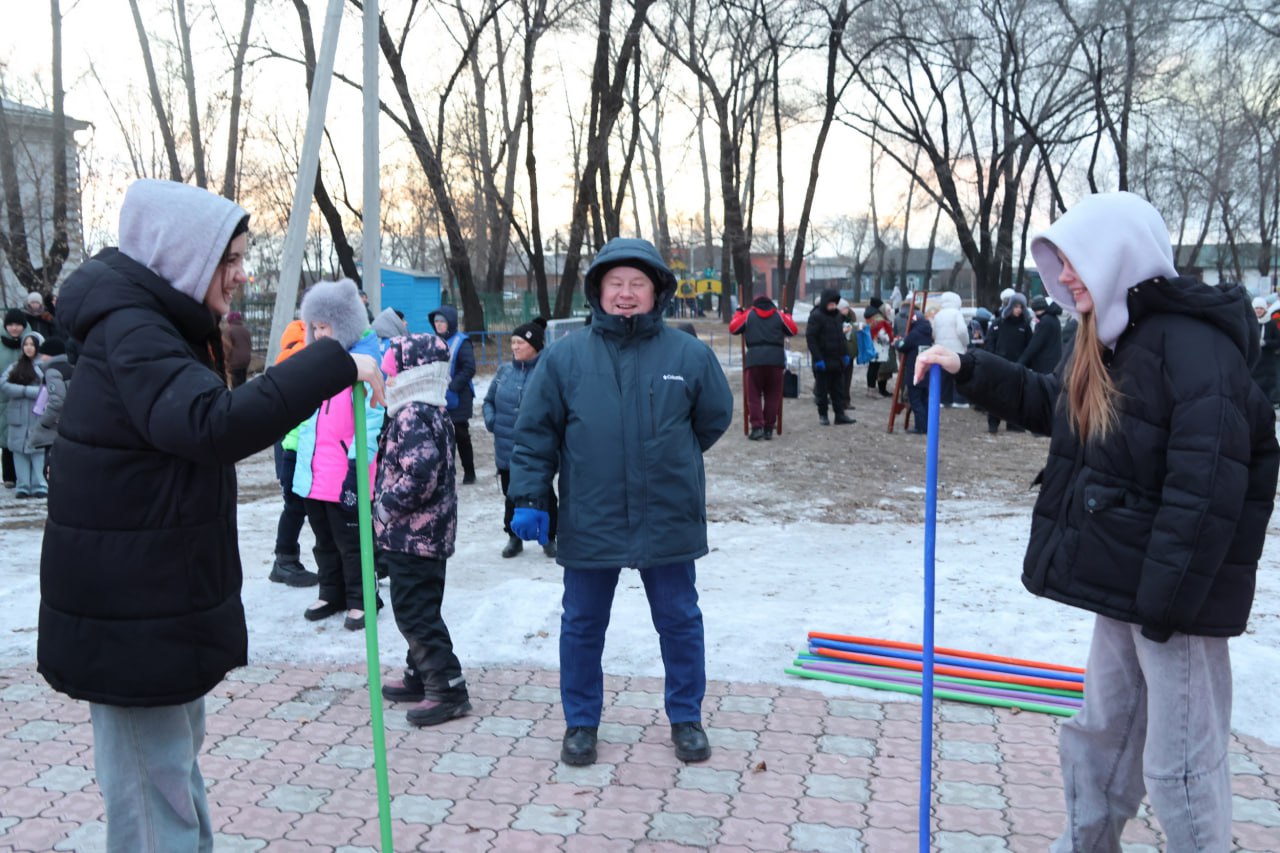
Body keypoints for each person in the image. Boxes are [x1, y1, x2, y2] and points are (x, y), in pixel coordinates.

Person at [914, 191, 1279, 853]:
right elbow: (1064, 409)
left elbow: (1207, 492)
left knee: (1182, 768)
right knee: (1100, 737)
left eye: (1075, 260)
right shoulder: (1114, 339)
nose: (1065, 276)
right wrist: (970, 369)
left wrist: (1162, 606)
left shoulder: (1196, 350)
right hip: (1130, 584)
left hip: (1179, 599)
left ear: (1119, 256)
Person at [37, 178, 386, 853]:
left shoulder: (156, 324)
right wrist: (333, 361)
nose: (240, 273)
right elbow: (212, 423)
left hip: (149, 599)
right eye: (229, 259)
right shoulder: (134, 330)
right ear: (182, 256)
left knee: (170, 769)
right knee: (151, 788)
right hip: (130, 610)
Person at [506, 237, 733, 767]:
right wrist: (532, 495)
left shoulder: (689, 354)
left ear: (657, 292)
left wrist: (671, 454)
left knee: (679, 620)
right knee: (582, 624)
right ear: (598, 291)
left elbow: (713, 417)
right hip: (593, 514)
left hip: (668, 514)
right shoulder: (565, 358)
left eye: (637, 284)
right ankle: (581, 723)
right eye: (616, 284)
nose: (626, 294)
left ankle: (686, 718)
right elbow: (534, 434)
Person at [375, 331, 472, 726]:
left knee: (415, 613)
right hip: (424, 535)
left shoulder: (413, 412)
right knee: (419, 607)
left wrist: (384, 507)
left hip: (414, 536)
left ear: (409, 370)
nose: (384, 369)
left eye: (390, 363)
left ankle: (448, 687)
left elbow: (422, 472)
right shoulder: (428, 408)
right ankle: (420, 672)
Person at [293, 278, 386, 632]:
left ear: (344, 324)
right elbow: (306, 423)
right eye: (313, 327)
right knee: (323, 541)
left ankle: (363, 597)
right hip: (315, 475)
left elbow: (372, 423)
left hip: (345, 473)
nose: (318, 334)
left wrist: (356, 470)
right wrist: (296, 466)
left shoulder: (363, 368)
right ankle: (331, 591)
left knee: (352, 543)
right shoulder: (317, 369)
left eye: (324, 326)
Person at [483, 317, 558, 556]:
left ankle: (549, 536)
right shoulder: (504, 371)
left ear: (534, 345)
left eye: (519, 343)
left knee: (543, 491)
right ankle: (513, 537)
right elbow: (488, 401)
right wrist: (492, 421)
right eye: (512, 342)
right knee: (510, 493)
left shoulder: (547, 373)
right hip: (506, 447)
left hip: (537, 450)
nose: (514, 347)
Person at [268, 319, 320, 588]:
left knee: (296, 505)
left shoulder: (286, 357)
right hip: (300, 444)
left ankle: (285, 560)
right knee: (297, 505)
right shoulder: (303, 359)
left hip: (290, 443)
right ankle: (285, 561)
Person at [729, 294, 798, 439]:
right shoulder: (779, 316)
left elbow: (734, 328)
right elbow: (793, 330)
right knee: (773, 395)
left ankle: (757, 426)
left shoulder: (749, 315)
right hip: (775, 360)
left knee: (753, 395)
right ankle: (768, 428)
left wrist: (738, 313)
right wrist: (788, 315)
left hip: (754, 359)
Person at [429, 305, 477, 484]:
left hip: (459, 397)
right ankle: (448, 472)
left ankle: (469, 471)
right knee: (443, 437)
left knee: (461, 435)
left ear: (450, 322)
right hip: (439, 396)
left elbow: (469, 368)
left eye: (442, 321)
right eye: (436, 322)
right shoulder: (434, 341)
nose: (438, 325)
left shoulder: (462, 341)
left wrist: (453, 387)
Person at [1, 331, 46, 498]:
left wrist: (26, 392)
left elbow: (48, 389)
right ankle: (23, 485)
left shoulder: (43, 366)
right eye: (25, 344)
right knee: (18, 451)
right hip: (17, 417)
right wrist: (27, 391)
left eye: (32, 345)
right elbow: (4, 384)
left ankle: (39, 484)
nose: (28, 348)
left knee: (38, 451)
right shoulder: (15, 366)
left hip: (38, 416)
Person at [983, 291, 1032, 432]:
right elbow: (989, 341)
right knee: (995, 395)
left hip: (1017, 365)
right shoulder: (999, 323)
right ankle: (993, 423)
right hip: (999, 363)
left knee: (1015, 395)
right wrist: (992, 357)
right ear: (1010, 307)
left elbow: (1029, 346)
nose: (1018, 310)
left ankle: (1014, 424)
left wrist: (1024, 361)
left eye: (1021, 307)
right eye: (1016, 306)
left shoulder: (1025, 326)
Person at [806, 288, 855, 425]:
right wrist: (818, 358)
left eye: (835, 304)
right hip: (823, 360)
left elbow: (841, 337)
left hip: (837, 360)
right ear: (825, 303)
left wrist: (845, 354)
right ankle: (823, 415)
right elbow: (811, 339)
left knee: (838, 389)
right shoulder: (816, 316)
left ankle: (839, 414)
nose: (833, 306)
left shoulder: (837, 317)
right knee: (822, 390)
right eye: (830, 304)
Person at [30, 336, 72, 480]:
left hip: (55, 428)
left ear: (50, 355)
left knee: (51, 471)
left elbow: (57, 401)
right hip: (71, 427)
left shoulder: (53, 371)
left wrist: (44, 422)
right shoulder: (71, 368)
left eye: (43, 354)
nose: (41, 357)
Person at [1, 308, 30, 488]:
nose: (14, 328)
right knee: (5, 438)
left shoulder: (29, 342)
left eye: (18, 324)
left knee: (25, 437)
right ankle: (9, 477)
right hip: (3, 396)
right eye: (10, 324)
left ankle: (28, 476)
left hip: (26, 397)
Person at [929, 291, 969, 407]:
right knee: (958, 374)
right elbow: (962, 331)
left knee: (944, 376)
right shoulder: (956, 314)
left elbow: (934, 332)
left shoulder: (938, 315)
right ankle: (959, 400)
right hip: (956, 349)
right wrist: (965, 343)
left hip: (941, 349)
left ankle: (944, 400)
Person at [1019, 295, 1064, 377]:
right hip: (1053, 363)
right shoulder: (1054, 319)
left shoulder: (1045, 321)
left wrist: (1020, 363)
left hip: (1044, 365)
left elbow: (1034, 345)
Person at [1250, 295, 1280, 406]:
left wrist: (1266, 342)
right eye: (1256, 308)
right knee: (1254, 381)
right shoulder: (1250, 322)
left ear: (1265, 309)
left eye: (1261, 308)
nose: (1258, 310)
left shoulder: (1271, 323)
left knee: (1268, 382)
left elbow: (1278, 341)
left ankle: (1271, 402)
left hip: (1268, 359)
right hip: (1255, 359)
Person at [222, 310, 252, 388]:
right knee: (242, 383)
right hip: (246, 361)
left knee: (235, 386)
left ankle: (238, 398)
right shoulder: (246, 330)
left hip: (234, 363)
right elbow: (249, 345)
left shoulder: (228, 331)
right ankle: (244, 397)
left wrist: (225, 361)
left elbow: (227, 348)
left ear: (229, 320)